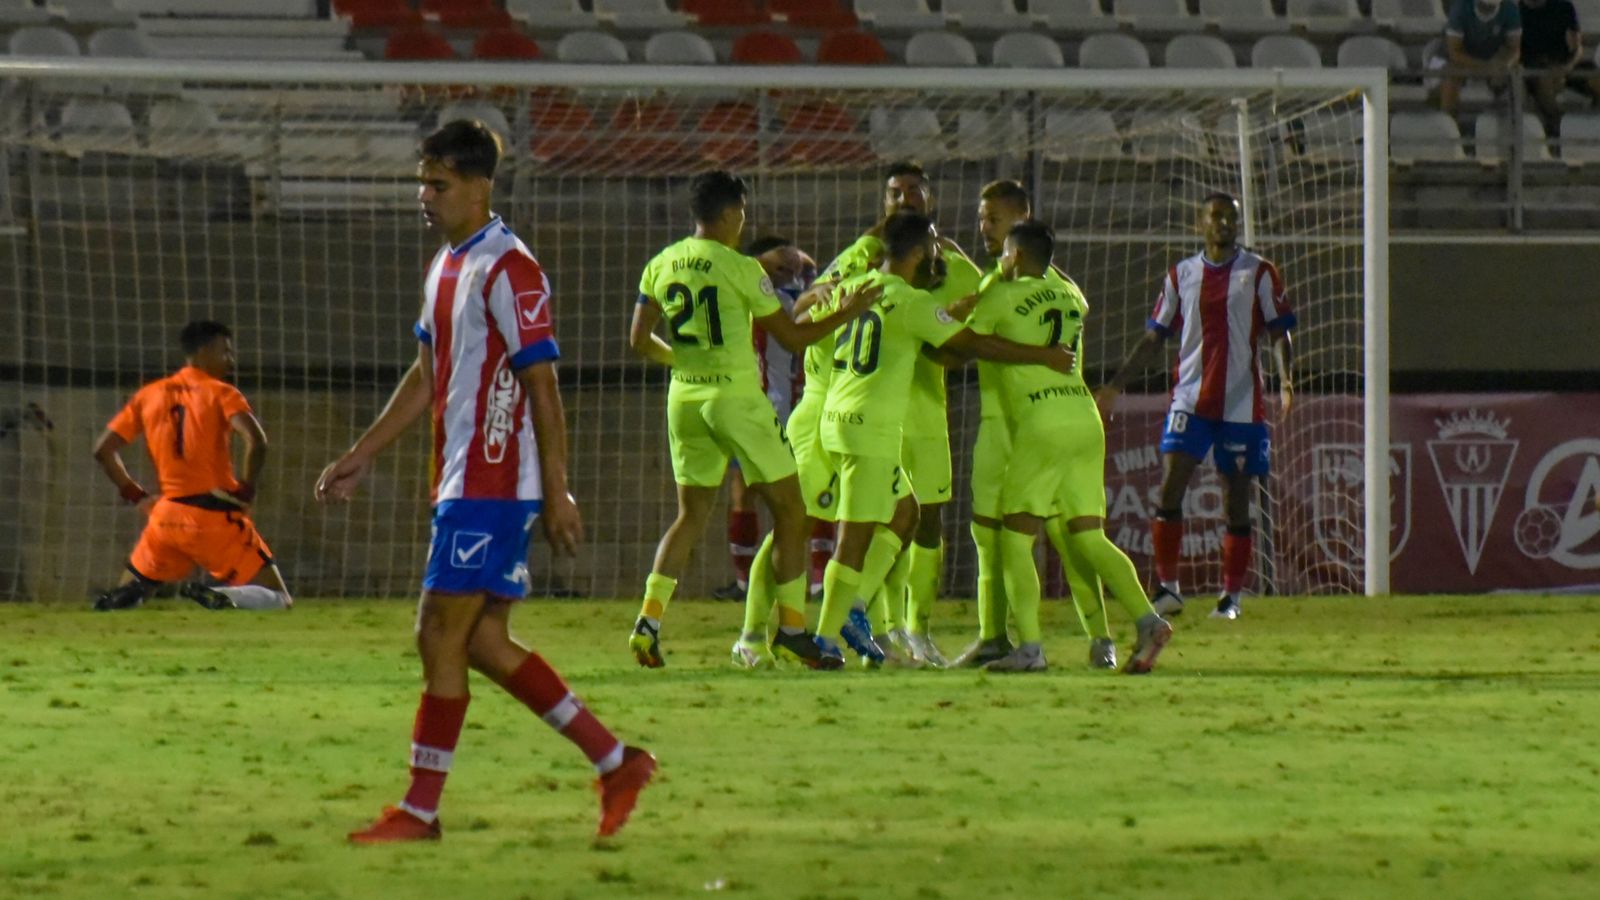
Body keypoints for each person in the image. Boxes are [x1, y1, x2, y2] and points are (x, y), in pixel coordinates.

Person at [315, 120, 654, 844]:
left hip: (495, 482)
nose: (423, 196)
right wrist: (363, 450)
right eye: (422, 182)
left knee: (437, 631)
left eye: (437, 185)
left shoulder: (511, 267)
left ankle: (420, 810)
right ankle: (615, 759)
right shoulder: (446, 266)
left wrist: (558, 488)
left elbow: (544, 384)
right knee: (483, 641)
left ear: (478, 185)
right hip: (463, 478)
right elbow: (428, 375)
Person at [627, 170, 878, 671]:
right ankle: (791, 631)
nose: (743, 221)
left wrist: (684, 364)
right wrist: (848, 310)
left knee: (691, 515)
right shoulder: (741, 269)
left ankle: (649, 622)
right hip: (737, 401)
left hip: (684, 401)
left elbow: (638, 340)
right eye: (740, 212)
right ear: (726, 214)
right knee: (792, 511)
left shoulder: (661, 263)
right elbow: (795, 338)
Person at [812, 210, 1075, 668]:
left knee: (904, 511)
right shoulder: (911, 302)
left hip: (835, 415)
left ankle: (854, 609)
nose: (939, 251)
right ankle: (825, 639)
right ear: (916, 251)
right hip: (868, 427)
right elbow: (972, 345)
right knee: (853, 537)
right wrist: (1042, 355)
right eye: (932, 244)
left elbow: (934, 348)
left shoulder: (859, 286)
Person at [969, 221, 1174, 673]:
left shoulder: (1001, 296)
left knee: (1014, 536)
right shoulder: (1068, 295)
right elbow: (1078, 297)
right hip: (1084, 416)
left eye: (1007, 252)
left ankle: (1030, 649)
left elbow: (968, 336)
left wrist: (995, 278)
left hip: (1042, 421)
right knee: (1087, 534)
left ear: (1015, 256)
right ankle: (1146, 619)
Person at [1096, 193, 1296, 621]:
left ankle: (1231, 598)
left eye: (1231, 218)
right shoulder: (1181, 275)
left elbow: (1280, 332)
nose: (1224, 223)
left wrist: (1287, 379)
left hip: (1241, 403)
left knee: (1236, 500)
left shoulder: (1260, 272)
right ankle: (1168, 588)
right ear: (1199, 224)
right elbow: (1155, 337)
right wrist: (1115, 385)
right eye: (1216, 216)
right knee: (1171, 486)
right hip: (1189, 398)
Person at [815, 160, 983, 667]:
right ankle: (868, 628)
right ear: (881, 202)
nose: (904, 198)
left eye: (913, 191)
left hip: (923, 405)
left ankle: (916, 630)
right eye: (894, 192)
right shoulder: (862, 256)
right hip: (868, 405)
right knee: (868, 522)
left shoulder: (954, 265)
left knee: (922, 519)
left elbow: (978, 312)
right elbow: (820, 301)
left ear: (931, 200)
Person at [91, 320, 292, 612]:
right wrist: (246, 492)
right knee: (279, 599)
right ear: (205, 351)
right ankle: (223, 597)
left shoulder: (149, 395)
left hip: (165, 518)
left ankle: (120, 601)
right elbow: (257, 441)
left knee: (129, 596)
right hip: (213, 515)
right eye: (226, 352)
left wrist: (136, 495)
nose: (231, 361)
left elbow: (102, 450)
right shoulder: (221, 393)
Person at [711, 236, 816, 602]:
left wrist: (795, 264)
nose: (788, 273)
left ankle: (802, 580)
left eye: (792, 268)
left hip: (788, 408)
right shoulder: (761, 299)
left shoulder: (785, 301)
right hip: (764, 407)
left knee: (790, 494)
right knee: (748, 491)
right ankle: (753, 583)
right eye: (779, 267)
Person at [1519, 0, 1600, 134]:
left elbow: (1577, 47)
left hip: (1566, 63)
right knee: (1544, 82)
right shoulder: (1518, 13)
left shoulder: (1563, 6)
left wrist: (1566, 67)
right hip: (1535, 67)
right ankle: (1558, 129)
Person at [1434, 0, 1523, 117]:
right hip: (1456, 59)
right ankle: (1448, 122)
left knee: (1516, 74)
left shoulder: (1510, 10)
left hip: (1491, 59)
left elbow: (1514, 49)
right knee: (1452, 73)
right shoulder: (1460, 8)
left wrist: (1504, 65)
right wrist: (1486, 66)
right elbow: (1454, 53)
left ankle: (1513, 123)